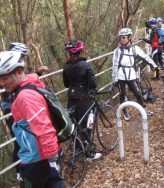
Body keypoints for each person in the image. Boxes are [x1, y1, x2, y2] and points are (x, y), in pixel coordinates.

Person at [0, 51, 64, 188]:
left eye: (5, 78)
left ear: (19, 72)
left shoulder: (25, 97)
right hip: (35, 157)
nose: (1, 83)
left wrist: (52, 162)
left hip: (38, 160)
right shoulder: (27, 84)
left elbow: (44, 129)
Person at [0, 42, 48, 182]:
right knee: (19, 137)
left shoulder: (17, 75)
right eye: (21, 57)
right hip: (10, 105)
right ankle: (20, 171)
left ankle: (27, 167)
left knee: (25, 135)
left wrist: (37, 73)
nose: (22, 60)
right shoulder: (7, 70)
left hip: (17, 103)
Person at [63, 39, 102, 160]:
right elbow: (93, 84)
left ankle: (79, 147)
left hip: (71, 99)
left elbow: (66, 84)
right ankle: (89, 152)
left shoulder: (66, 66)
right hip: (84, 98)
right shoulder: (86, 65)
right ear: (81, 51)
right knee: (88, 123)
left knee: (76, 125)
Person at [112, 27, 158, 120]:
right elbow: (115, 65)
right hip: (121, 76)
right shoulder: (117, 51)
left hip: (132, 75)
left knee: (138, 94)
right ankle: (125, 113)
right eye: (120, 37)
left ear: (129, 37)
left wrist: (154, 65)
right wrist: (114, 78)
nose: (122, 39)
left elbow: (145, 57)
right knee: (122, 95)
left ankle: (142, 111)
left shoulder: (135, 48)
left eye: (124, 37)